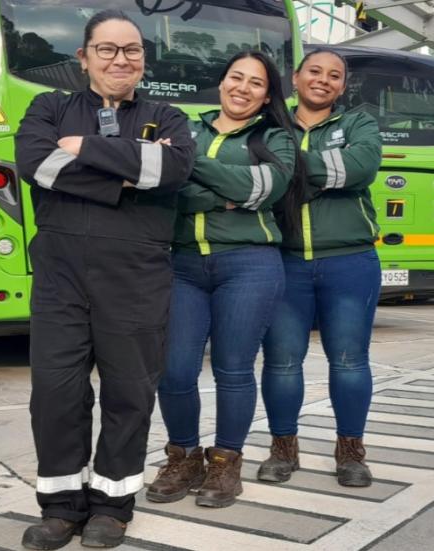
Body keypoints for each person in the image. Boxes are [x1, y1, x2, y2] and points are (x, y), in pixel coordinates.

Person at [14, 10, 195, 550]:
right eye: (108, 49)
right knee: (55, 390)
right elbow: (34, 163)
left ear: (144, 58)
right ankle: (61, 506)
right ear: (84, 57)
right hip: (60, 274)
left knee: (129, 392)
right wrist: (130, 173)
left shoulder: (168, 116)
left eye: (132, 50)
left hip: (137, 274)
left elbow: (174, 170)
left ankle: (112, 506)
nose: (122, 59)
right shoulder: (49, 107)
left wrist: (82, 149)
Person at [146, 51, 297, 508]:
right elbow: (164, 188)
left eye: (256, 83)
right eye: (236, 78)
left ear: (267, 95)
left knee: (233, 369)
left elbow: (263, 189)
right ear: (222, 81)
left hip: (249, 264)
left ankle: (226, 463)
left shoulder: (276, 137)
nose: (243, 88)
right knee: (173, 370)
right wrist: (224, 193)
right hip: (183, 265)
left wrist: (189, 165)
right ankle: (184, 456)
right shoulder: (184, 126)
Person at [258, 47, 384, 488]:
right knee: (281, 362)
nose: (323, 80)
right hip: (284, 261)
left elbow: (361, 166)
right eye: (315, 71)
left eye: (334, 76)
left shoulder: (358, 124)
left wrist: (286, 168)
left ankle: (350, 451)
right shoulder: (269, 123)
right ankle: (282, 448)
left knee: (350, 361)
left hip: (350, 261)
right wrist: (328, 170)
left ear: (342, 87)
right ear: (296, 78)